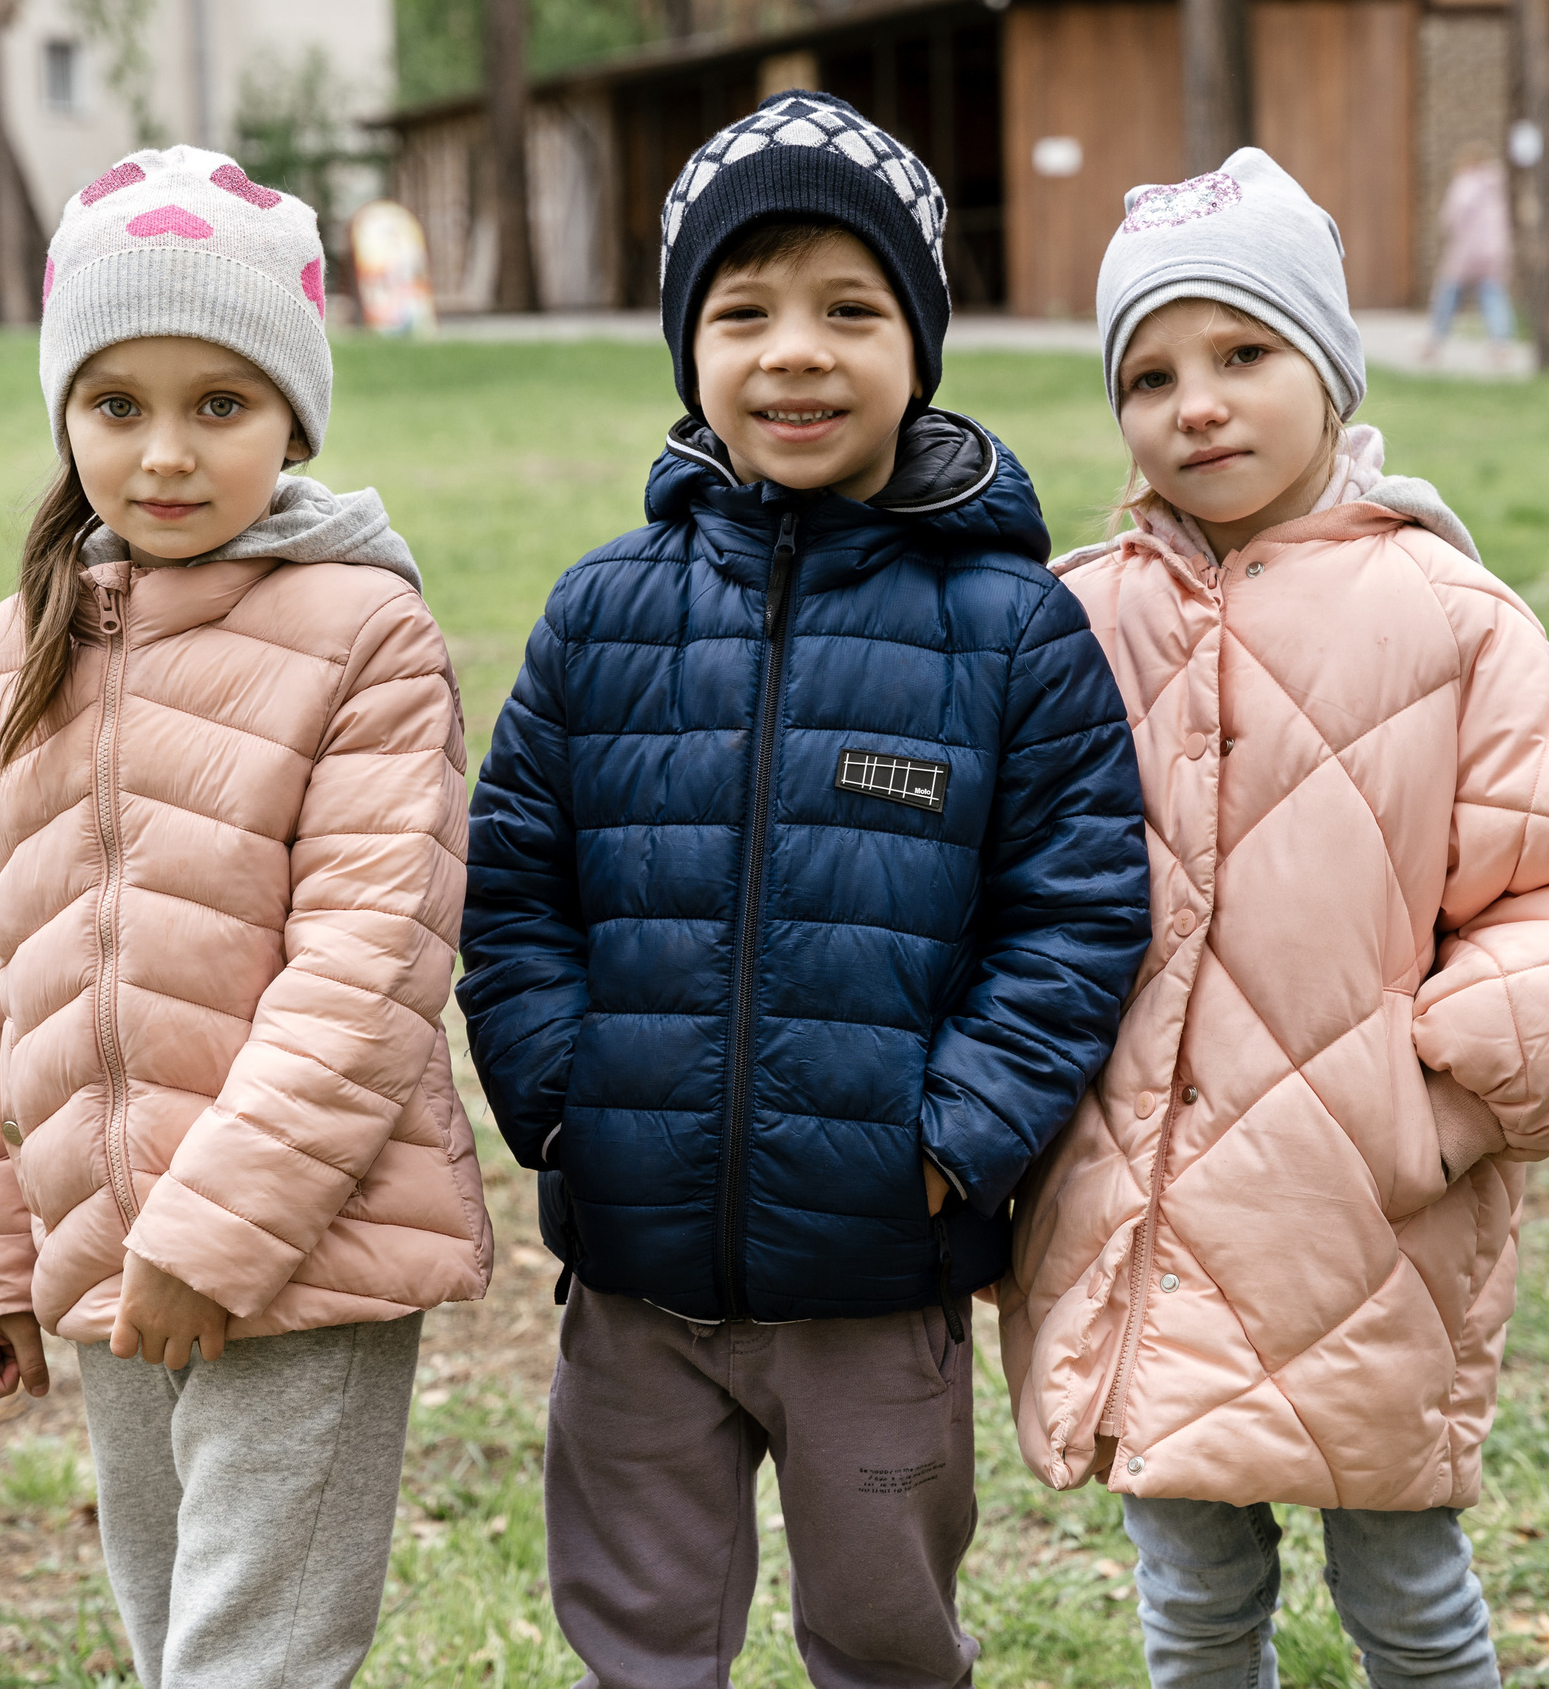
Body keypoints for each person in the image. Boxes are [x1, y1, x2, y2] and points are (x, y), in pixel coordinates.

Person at [455, 91, 1151, 1689]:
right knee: (634, 1616)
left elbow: (1078, 908)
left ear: (919, 348)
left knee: (888, 1623)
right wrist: (562, 1097)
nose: (796, 353)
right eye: (744, 310)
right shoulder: (603, 613)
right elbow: (514, 884)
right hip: (634, 1267)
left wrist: (955, 1132)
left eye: (852, 310)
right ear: (689, 348)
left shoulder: (1007, 623)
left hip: (876, 1266)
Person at [999, 148, 1549, 1689]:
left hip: (1363, 1206)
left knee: (1406, 1580)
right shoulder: (1081, 613)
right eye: (1151, 372)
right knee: (1190, 1580)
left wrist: (1441, 1094)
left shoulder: (1448, 619)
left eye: (1245, 353)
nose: (1198, 404)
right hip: (1141, 1201)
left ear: (1333, 368)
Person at [0, 144, 491, 1689]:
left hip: (298, 1244)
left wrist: (214, 1231)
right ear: (64, 413)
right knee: (172, 1631)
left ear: (294, 415)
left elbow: (370, 967)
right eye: (118, 404)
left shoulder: (363, 633)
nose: (165, 453)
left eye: (219, 404)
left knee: (252, 1656)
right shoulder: (14, 651)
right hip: (99, 1247)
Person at [1426, 144, 1515, 363]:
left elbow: (1452, 215)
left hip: (1466, 250)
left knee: (1448, 293)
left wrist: (1447, 227)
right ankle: (1500, 344)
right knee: (1493, 295)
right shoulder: (1496, 184)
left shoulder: (1465, 183)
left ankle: (1435, 340)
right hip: (1494, 250)